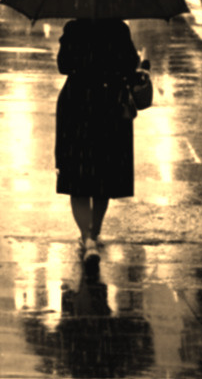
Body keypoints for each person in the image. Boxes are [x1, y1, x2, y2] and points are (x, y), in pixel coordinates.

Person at [54, 18, 141, 262]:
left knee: (77, 174)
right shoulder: (118, 28)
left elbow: (63, 66)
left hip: (76, 105)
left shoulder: (74, 27)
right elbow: (130, 65)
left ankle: (86, 238)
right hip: (109, 104)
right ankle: (95, 231)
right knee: (104, 172)